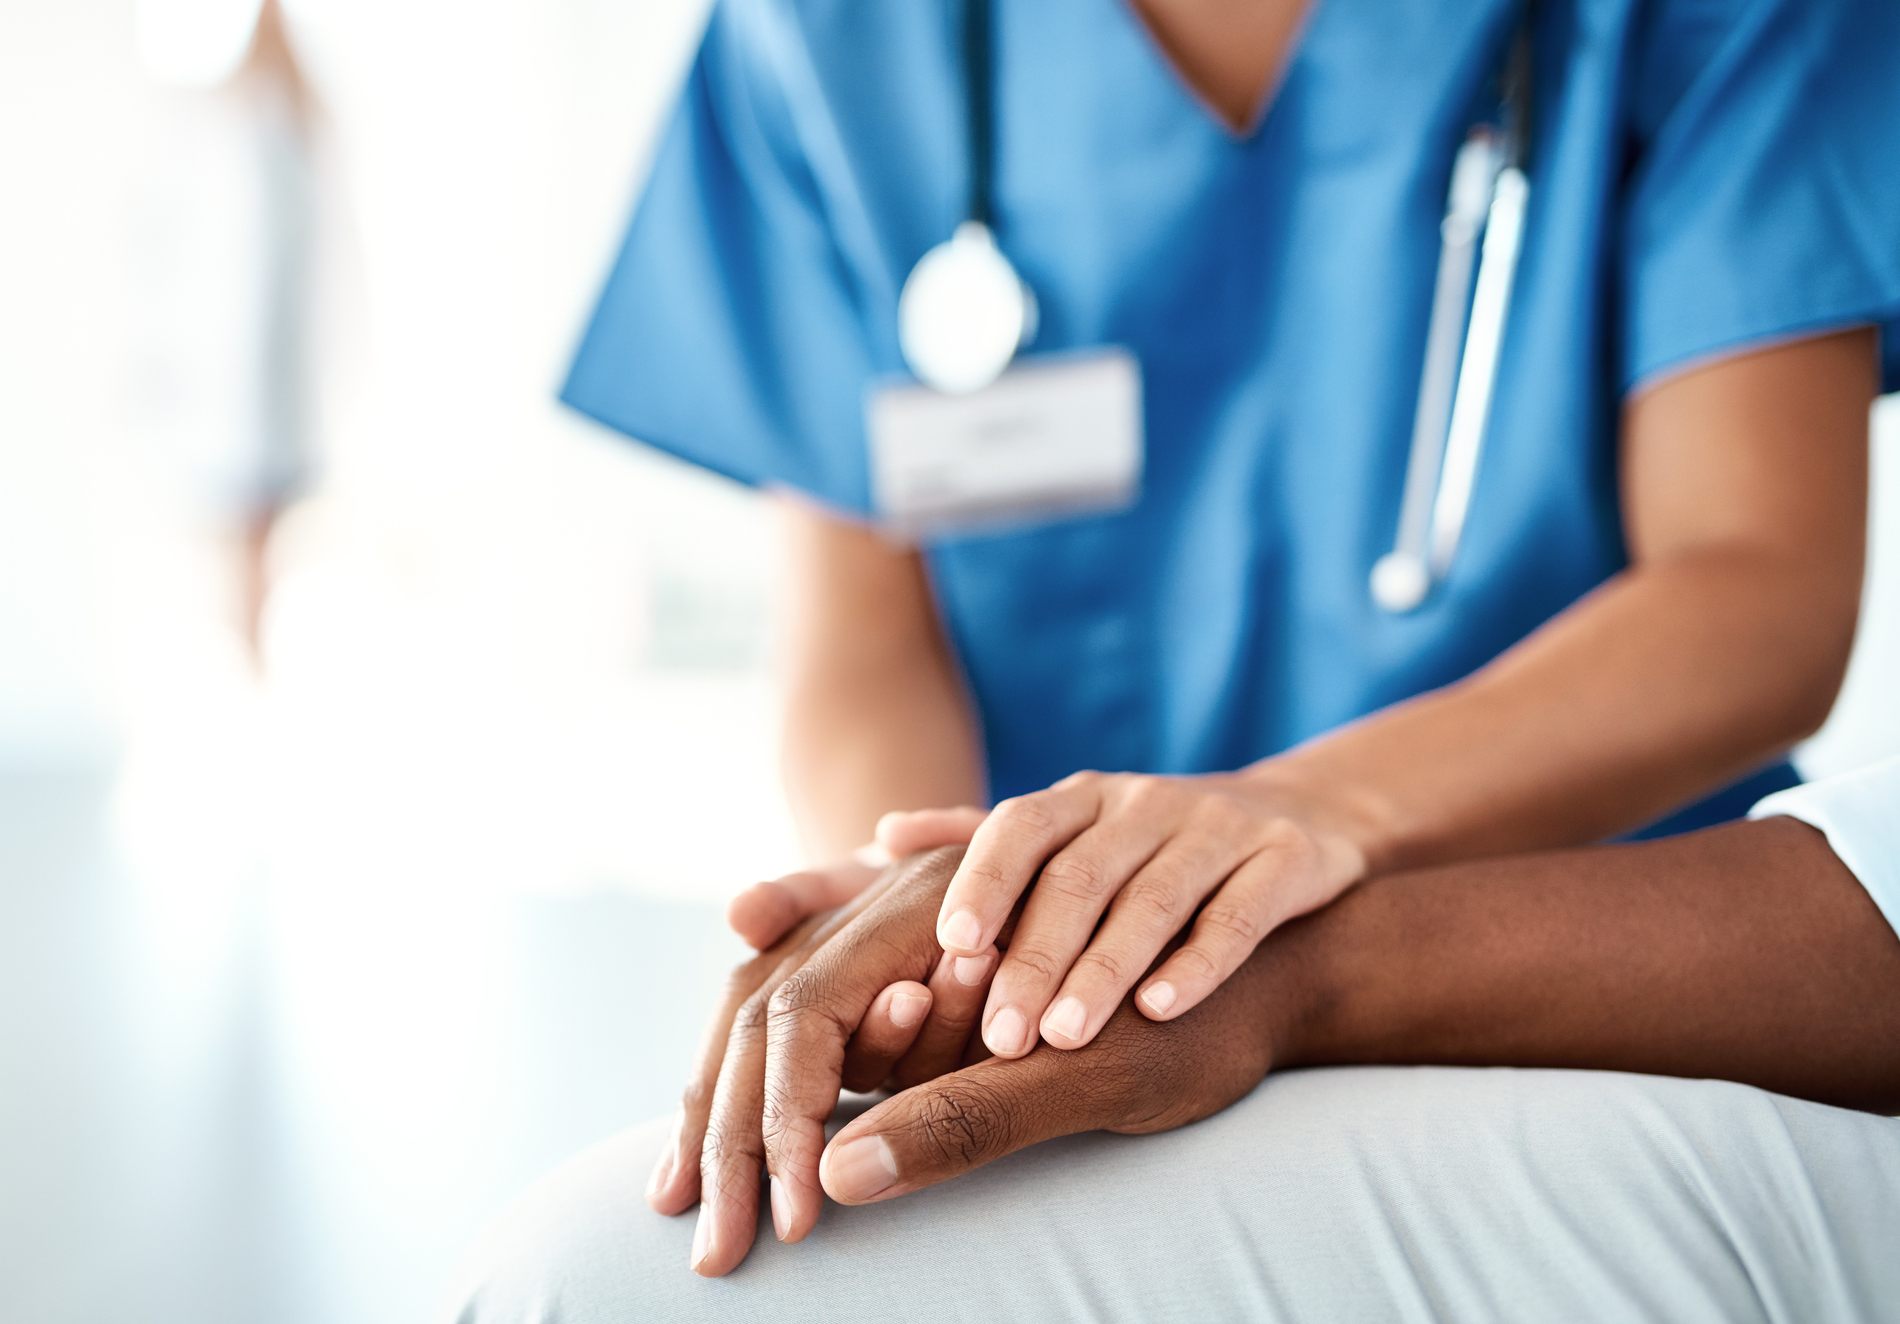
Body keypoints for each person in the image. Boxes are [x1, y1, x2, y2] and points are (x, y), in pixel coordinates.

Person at [566, 0, 1899, 1080]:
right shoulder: (829, 37)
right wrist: (948, 917)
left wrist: (1289, 823)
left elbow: (1755, 592)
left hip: (1595, 994)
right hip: (1076, 1025)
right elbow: (865, 639)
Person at [450, 756, 1900, 1318]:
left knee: (611, 1289)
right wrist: (955, 926)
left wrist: (1286, 955)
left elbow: (1749, 583)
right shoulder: (821, 83)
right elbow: (860, 600)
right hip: (1123, 944)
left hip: (1630, 954)